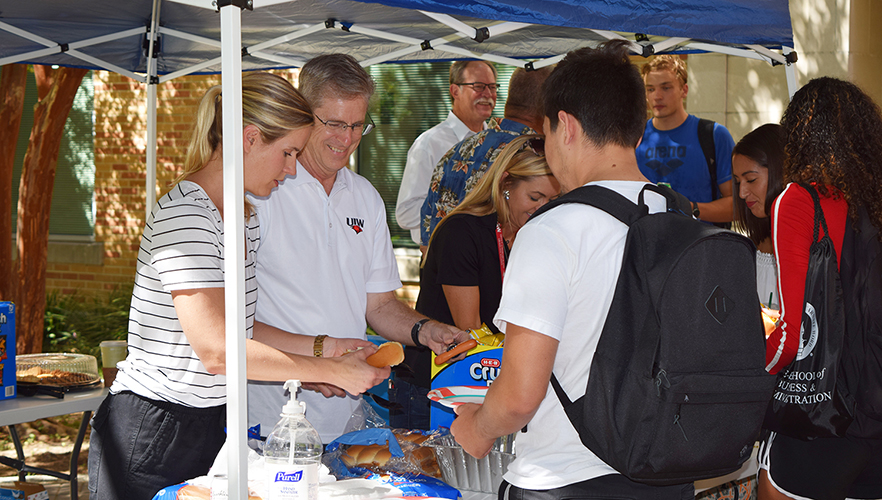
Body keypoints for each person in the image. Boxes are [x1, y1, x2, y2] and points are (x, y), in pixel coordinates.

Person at [87, 72, 390, 500]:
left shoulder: (239, 216)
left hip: (210, 421)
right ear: (249, 139)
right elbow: (217, 350)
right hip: (153, 427)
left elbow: (241, 329)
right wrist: (325, 369)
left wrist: (321, 348)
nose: (290, 170)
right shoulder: (187, 215)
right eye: (287, 152)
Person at [450, 41, 693, 499]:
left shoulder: (553, 230)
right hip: (666, 474)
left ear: (565, 126)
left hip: (566, 479)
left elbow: (521, 393)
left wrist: (477, 431)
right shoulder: (680, 216)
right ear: (637, 131)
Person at [247, 54, 469, 444]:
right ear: (304, 114)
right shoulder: (262, 190)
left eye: (356, 126)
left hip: (346, 417)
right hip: (270, 419)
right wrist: (315, 364)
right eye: (333, 123)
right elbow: (232, 323)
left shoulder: (364, 195)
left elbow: (379, 305)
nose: (346, 139)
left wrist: (424, 329)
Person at [758, 77, 882, 500]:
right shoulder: (876, 201)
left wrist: (753, 368)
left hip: (823, 416)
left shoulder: (797, 200)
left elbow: (795, 334)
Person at [392, 134, 558, 429]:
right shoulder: (462, 232)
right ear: (506, 183)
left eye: (552, 200)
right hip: (433, 388)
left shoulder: (532, 237)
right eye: (535, 197)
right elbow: (470, 330)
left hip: (489, 383)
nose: (542, 208)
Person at [419, 66, 552, 248]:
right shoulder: (536, 160)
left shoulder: (454, 152)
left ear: (508, 101)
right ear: (547, 108)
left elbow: (427, 244)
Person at [396, 60, 497, 245]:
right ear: (455, 91)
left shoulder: (497, 144)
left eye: (492, 86)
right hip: (442, 259)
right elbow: (406, 214)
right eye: (479, 86)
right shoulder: (429, 144)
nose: (488, 94)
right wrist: (466, 204)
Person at [635, 55, 735, 224]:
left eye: (666, 88)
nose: (657, 96)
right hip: (648, 244)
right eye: (650, 89)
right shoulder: (633, 138)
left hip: (702, 245)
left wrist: (689, 208)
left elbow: (739, 206)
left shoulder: (714, 135)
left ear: (684, 90)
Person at [732, 123, 785, 310]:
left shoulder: (811, 248)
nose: (742, 193)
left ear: (781, 172)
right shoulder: (749, 249)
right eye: (738, 182)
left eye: (751, 180)